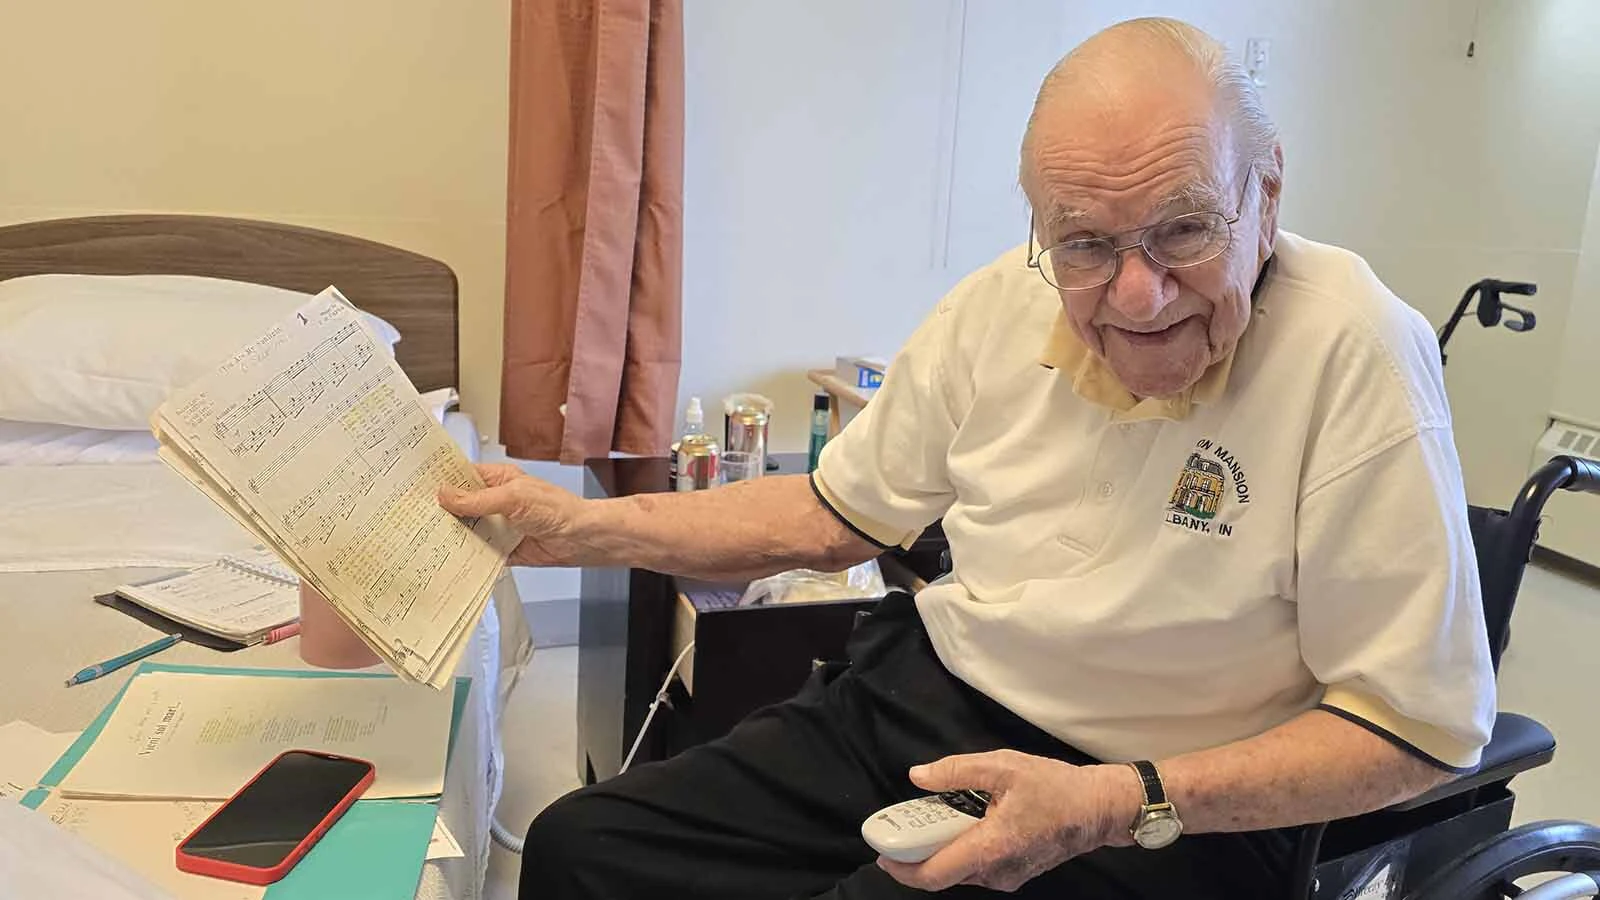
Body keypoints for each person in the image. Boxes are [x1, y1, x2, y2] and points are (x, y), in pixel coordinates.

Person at [440, 16, 1495, 899]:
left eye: (1182, 231)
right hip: (929, 704)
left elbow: (1415, 730)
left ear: (1265, 193)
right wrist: (576, 526)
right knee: (588, 851)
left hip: (1168, 796)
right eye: (1083, 244)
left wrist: (1119, 800)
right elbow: (826, 514)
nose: (1135, 295)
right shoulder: (999, 303)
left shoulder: (1356, 346)